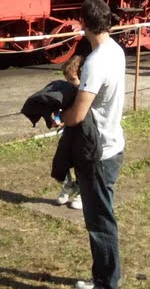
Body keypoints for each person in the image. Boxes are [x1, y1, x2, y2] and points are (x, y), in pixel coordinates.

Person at [61, 0, 126, 289]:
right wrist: (77, 82)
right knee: (104, 216)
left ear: (83, 23)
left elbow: (77, 115)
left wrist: (58, 113)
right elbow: (97, 97)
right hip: (113, 143)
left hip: (98, 150)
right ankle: (107, 277)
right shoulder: (115, 50)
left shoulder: (96, 62)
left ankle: (105, 283)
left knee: (100, 223)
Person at [56, 55, 84, 210]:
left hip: (82, 134)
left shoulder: (85, 94)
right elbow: (61, 109)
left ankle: (82, 191)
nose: (70, 84)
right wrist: (58, 117)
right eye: (67, 80)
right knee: (60, 162)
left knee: (81, 163)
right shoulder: (67, 93)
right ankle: (68, 185)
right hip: (67, 133)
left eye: (73, 80)